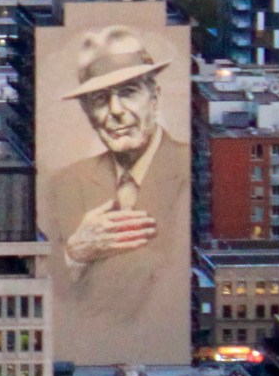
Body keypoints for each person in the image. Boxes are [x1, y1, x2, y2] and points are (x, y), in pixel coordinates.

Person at [43, 22, 188, 350]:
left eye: (128, 93)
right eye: (100, 99)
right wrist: (76, 254)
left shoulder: (188, 169)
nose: (116, 112)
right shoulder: (64, 183)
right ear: (87, 112)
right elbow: (55, 295)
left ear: (154, 98)